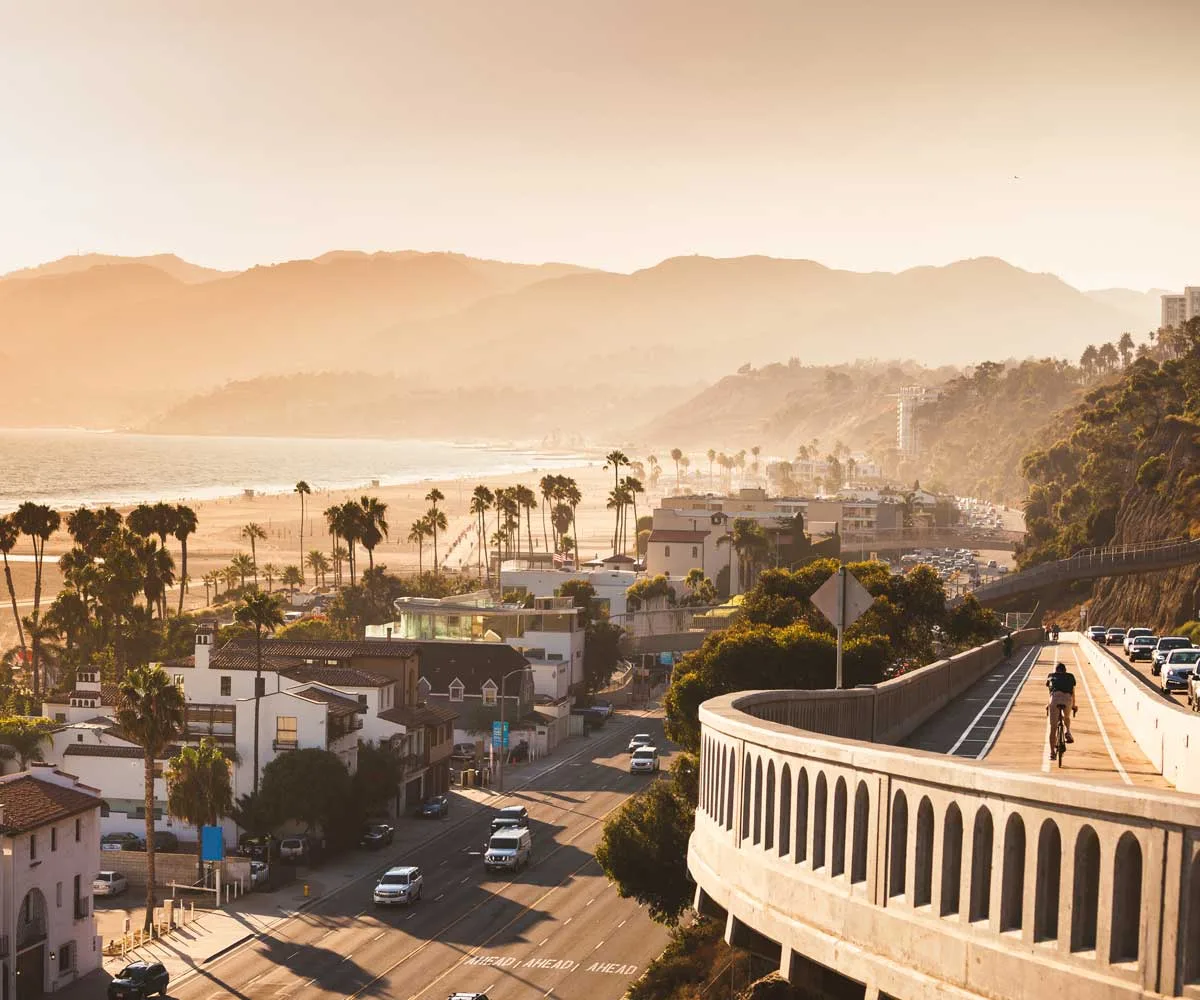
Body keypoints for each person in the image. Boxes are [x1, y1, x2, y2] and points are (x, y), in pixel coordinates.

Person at [1046, 661, 1078, 758]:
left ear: (1056, 671)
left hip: (1054, 699)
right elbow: (1072, 693)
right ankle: (1067, 731)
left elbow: (1051, 692)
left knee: (1053, 727)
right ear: (1065, 671)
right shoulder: (1070, 676)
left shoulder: (1051, 676)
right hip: (1067, 699)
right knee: (1067, 717)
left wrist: (1049, 704)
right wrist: (1074, 705)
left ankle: (1052, 753)